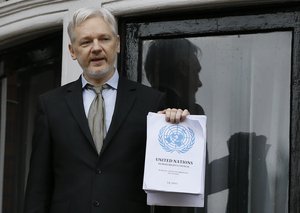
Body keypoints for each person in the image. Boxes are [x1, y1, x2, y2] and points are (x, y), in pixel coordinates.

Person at [24, 7, 189, 213]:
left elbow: (168, 183)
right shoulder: (50, 105)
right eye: (85, 42)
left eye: (104, 39)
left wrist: (179, 128)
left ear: (118, 44)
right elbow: (38, 188)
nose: (96, 48)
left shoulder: (151, 102)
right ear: (72, 51)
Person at [144, 38, 204, 115]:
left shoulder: (140, 106)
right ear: (183, 68)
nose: (199, 83)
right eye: (195, 72)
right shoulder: (192, 112)